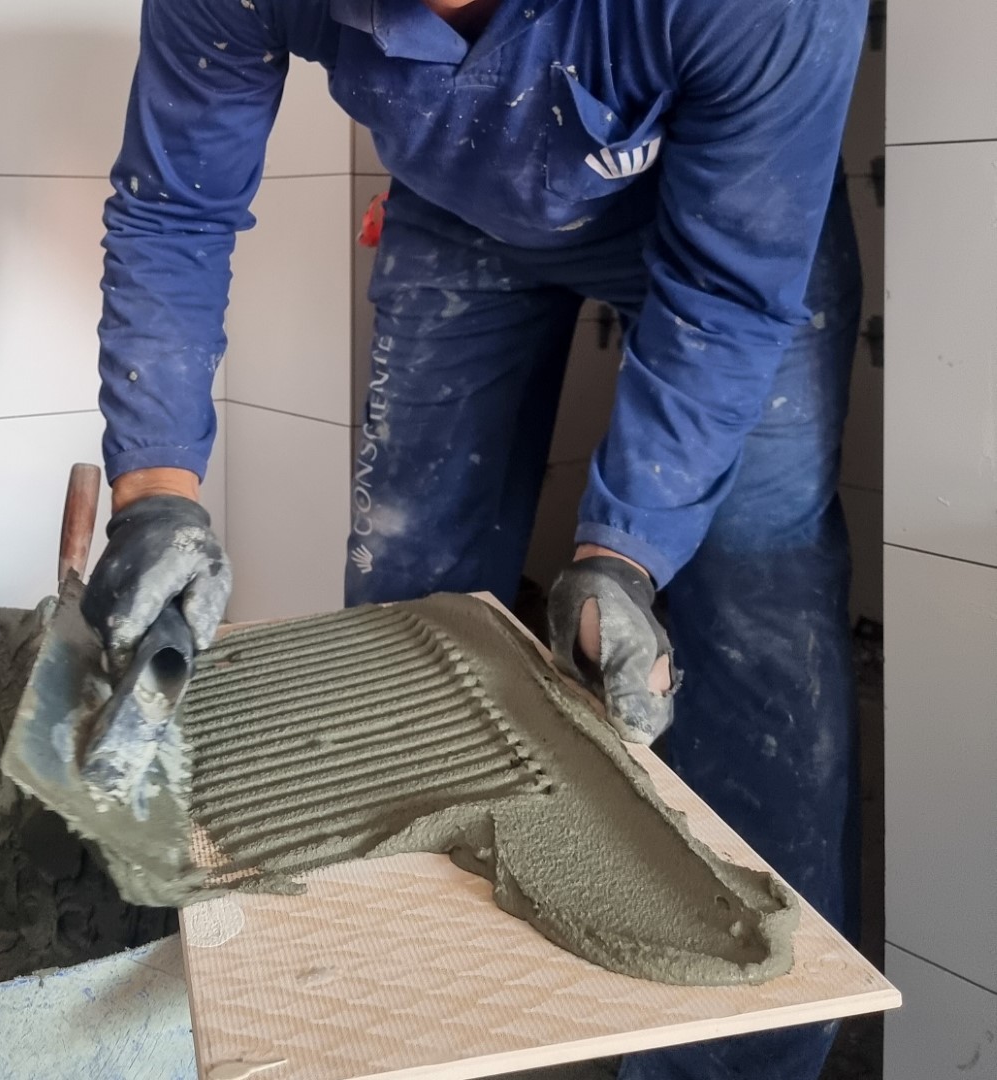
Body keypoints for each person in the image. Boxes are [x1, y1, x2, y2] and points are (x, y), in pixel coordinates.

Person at [81, 1, 867, 1076]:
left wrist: (624, 555)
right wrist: (156, 494)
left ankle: (733, 1045)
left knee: (755, 636)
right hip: (459, 216)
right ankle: (408, 1009)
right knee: (409, 612)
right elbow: (174, 212)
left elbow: (726, 300)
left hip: (731, 223)